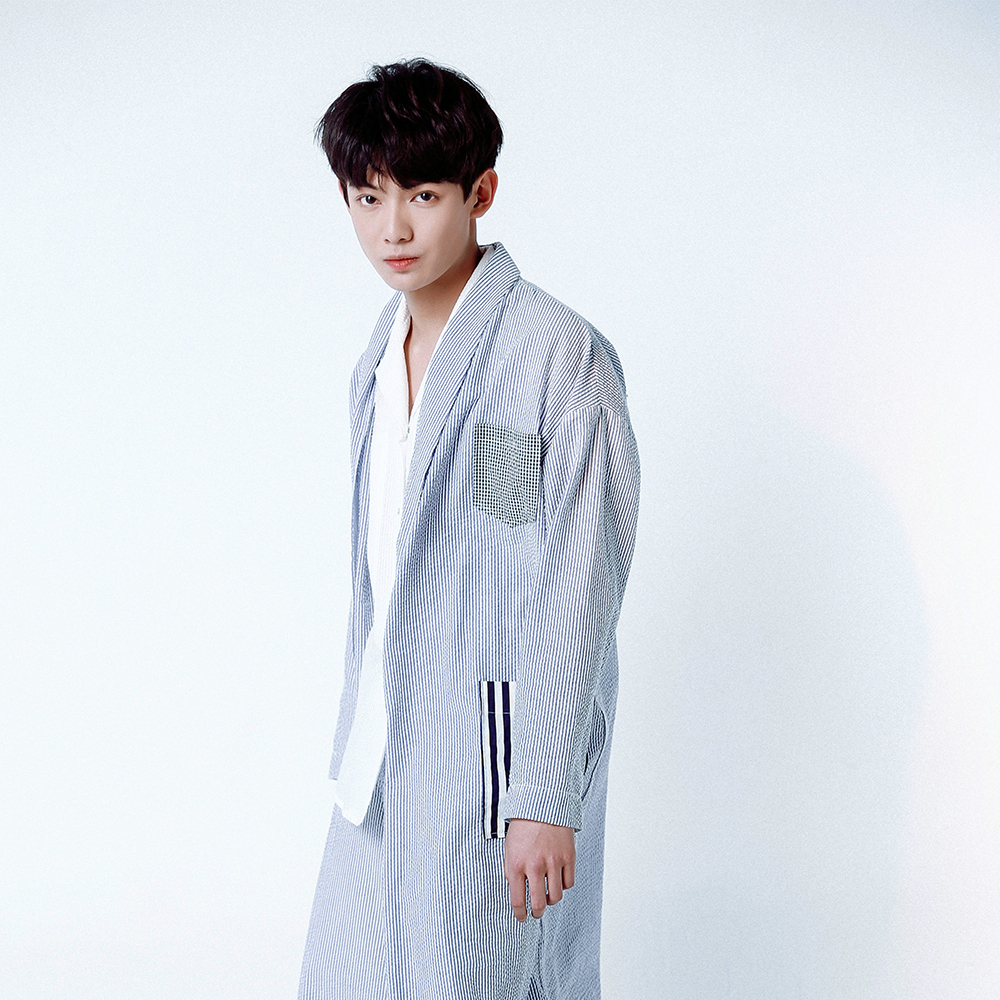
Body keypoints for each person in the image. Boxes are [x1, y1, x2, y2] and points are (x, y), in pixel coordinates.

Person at [300, 58, 640, 1000]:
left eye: (423, 195)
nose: (394, 229)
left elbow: (576, 588)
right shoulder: (377, 361)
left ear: (480, 193)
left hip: (494, 772)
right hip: (377, 766)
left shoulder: (558, 357)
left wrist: (541, 792)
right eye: (369, 198)